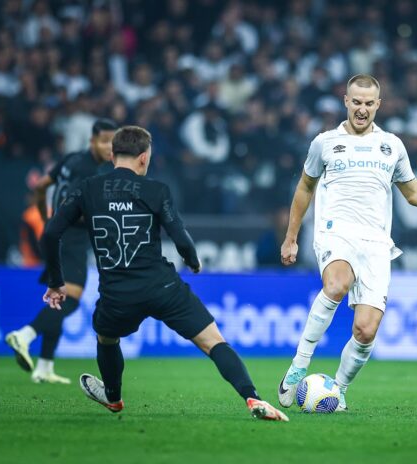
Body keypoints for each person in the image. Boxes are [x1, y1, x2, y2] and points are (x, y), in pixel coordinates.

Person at [39, 126, 287, 421]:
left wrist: (56, 282)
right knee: (214, 341)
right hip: (162, 287)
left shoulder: (87, 189)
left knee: (106, 339)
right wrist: (192, 260)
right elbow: (180, 237)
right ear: (144, 158)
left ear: (112, 155)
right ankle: (253, 398)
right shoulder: (155, 190)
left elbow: (51, 234)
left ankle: (114, 397)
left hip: (117, 294)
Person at [277, 74, 417, 411]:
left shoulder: (392, 145)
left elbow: (414, 194)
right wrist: (291, 238)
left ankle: (336, 391)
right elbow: (305, 187)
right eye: (356, 102)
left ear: (378, 105)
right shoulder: (324, 142)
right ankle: (298, 366)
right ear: (346, 101)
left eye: (369, 103)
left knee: (366, 331)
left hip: (377, 243)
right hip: (336, 231)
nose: (362, 109)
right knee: (336, 285)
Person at [6, 119, 118, 384]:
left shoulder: (70, 159)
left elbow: (42, 185)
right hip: (72, 239)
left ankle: (44, 366)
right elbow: (74, 207)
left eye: (111, 143)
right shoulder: (90, 170)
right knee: (71, 298)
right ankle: (25, 335)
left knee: (57, 298)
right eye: (103, 141)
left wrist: (47, 222)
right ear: (92, 140)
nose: (108, 148)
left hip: (57, 234)